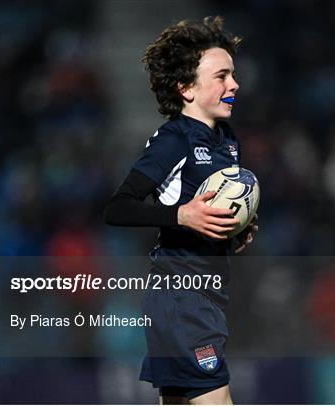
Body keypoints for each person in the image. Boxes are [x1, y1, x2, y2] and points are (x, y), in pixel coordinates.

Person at [104, 16, 257, 404]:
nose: (234, 84)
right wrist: (180, 216)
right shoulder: (174, 140)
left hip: (203, 295)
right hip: (181, 296)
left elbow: (205, 207)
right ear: (187, 87)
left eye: (233, 75)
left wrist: (233, 232)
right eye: (221, 76)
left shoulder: (226, 140)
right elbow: (118, 208)